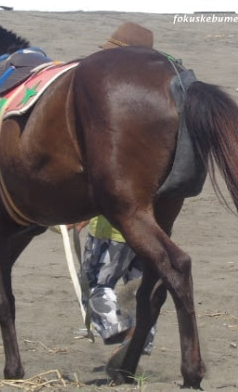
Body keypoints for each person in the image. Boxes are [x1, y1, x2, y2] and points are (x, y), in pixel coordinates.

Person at [78, 21, 156, 354]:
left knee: (97, 281)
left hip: (113, 222)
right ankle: (143, 341)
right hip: (150, 223)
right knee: (136, 284)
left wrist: (77, 210)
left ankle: (115, 335)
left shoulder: (116, 114)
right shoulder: (150, 110)